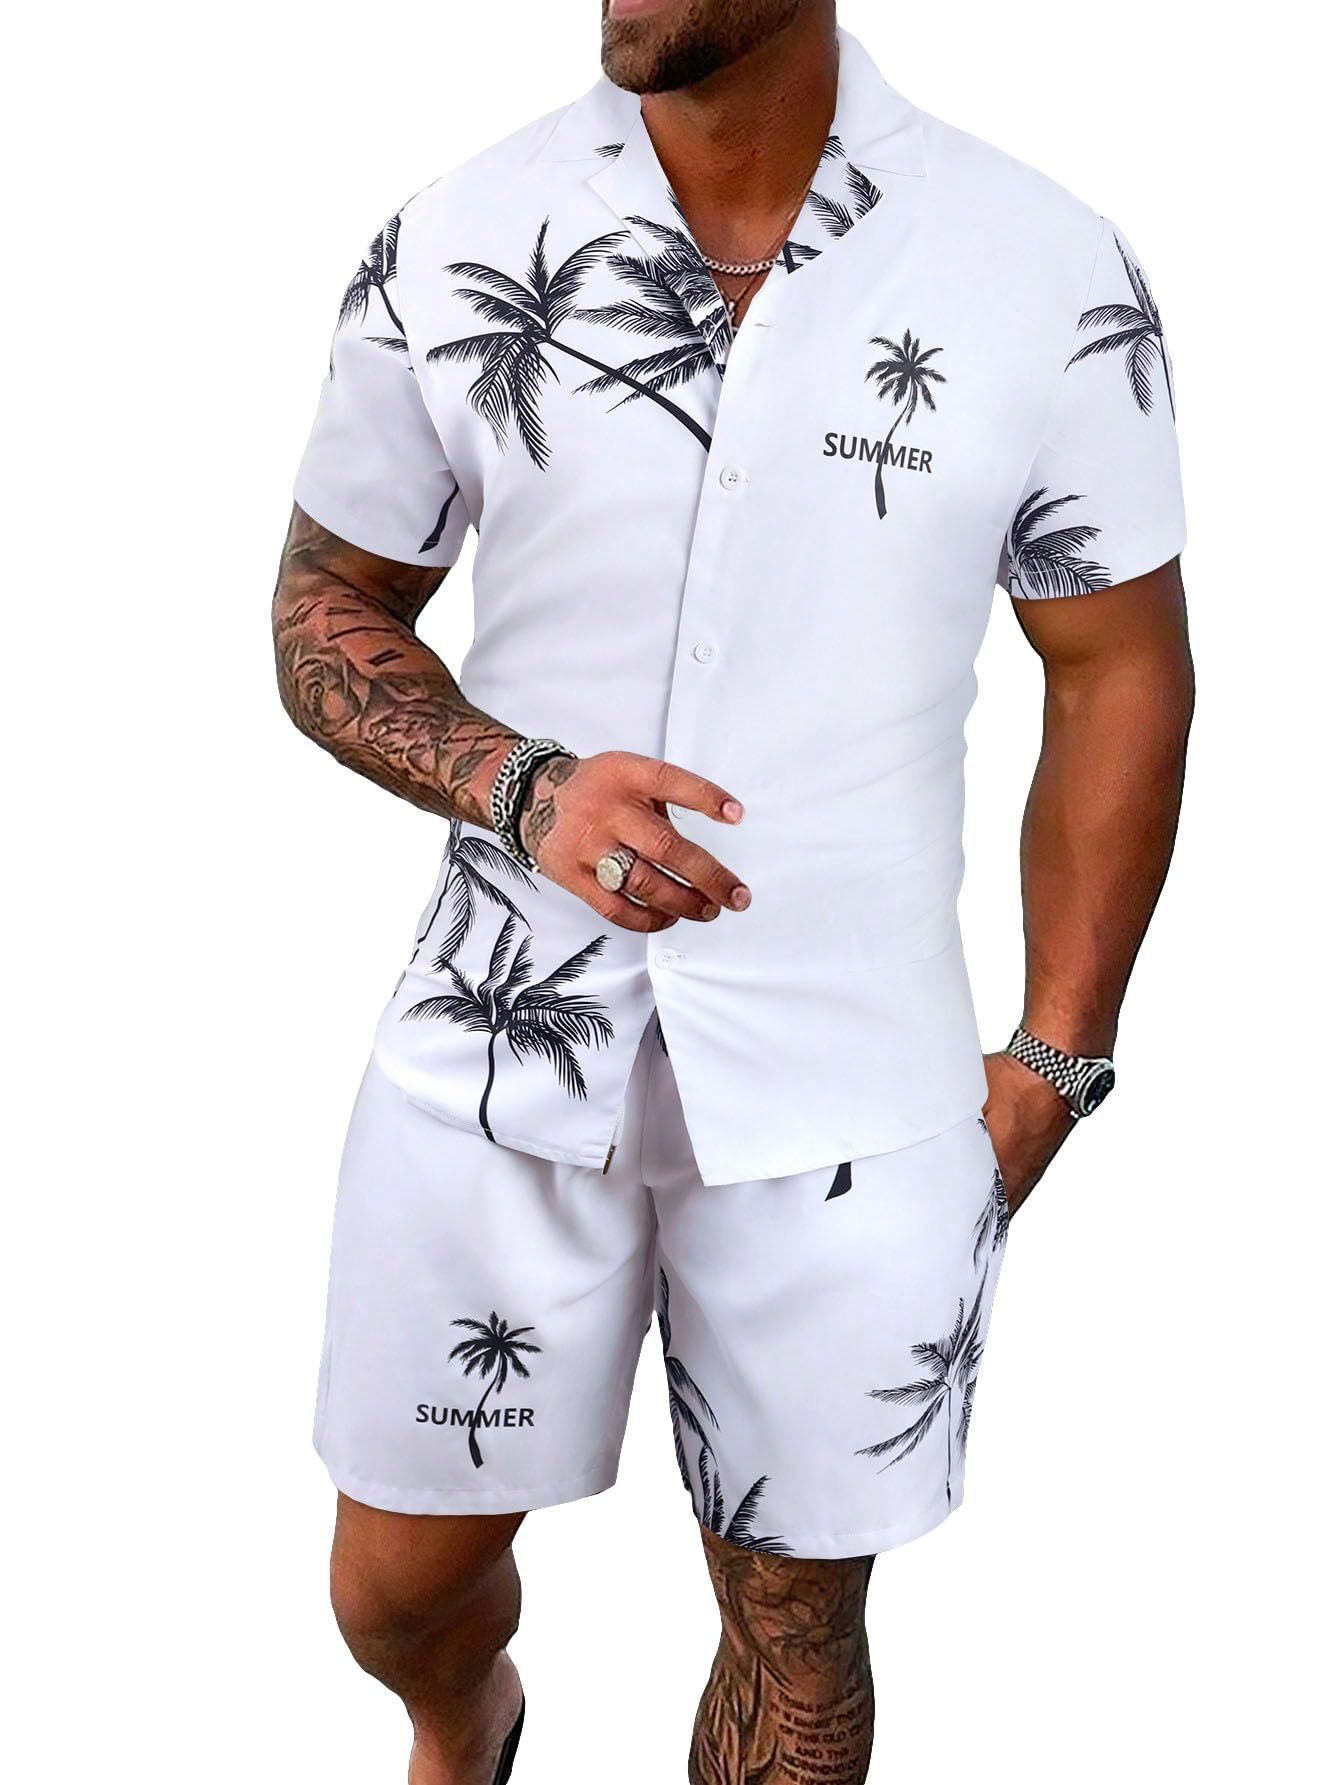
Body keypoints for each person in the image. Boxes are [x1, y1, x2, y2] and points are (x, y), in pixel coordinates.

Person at [272, 2, 1193, 1779]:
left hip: (856, 1076)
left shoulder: (1042, 267)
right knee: (395, 1585)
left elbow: (1116, 665)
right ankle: (467, 1713)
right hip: (500, 1038)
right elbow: (324, 608)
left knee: (798, 1629)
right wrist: (518, 784)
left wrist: (1056, 1056)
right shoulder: (461, 236)